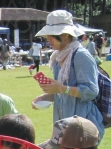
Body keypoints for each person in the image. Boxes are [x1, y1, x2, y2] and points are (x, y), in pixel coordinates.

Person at [32, 10, 105, 140]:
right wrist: (45, 97)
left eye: (52, 34)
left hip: (83, 127)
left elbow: (91, 91)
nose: (48, 38)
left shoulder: (80, 55)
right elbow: (62, 95)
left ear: (65, 34)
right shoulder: (58, 57)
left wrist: (61, 88)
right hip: (63, 125)